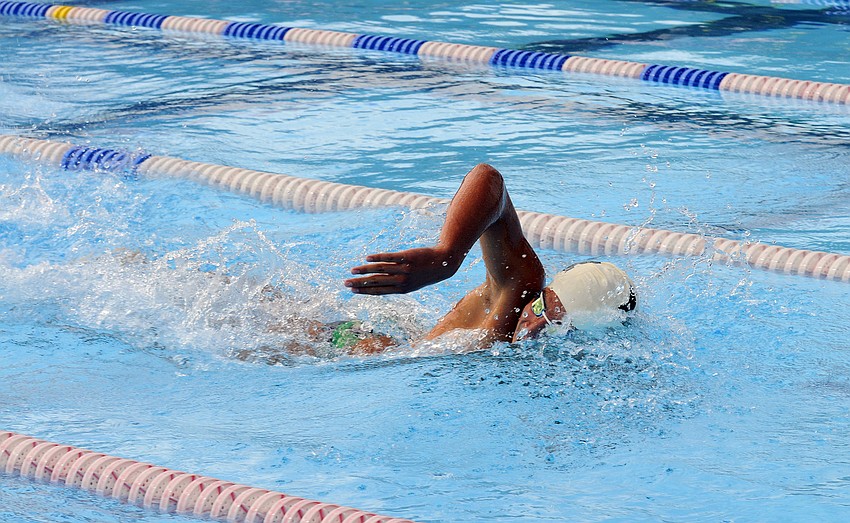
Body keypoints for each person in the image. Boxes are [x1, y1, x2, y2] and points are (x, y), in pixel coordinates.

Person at [344, 163, 636, 350]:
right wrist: (447, 256)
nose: (533, 325)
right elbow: (488, 178)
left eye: (557, 326)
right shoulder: (518, 293)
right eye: (540, 307)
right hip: (343, 343)